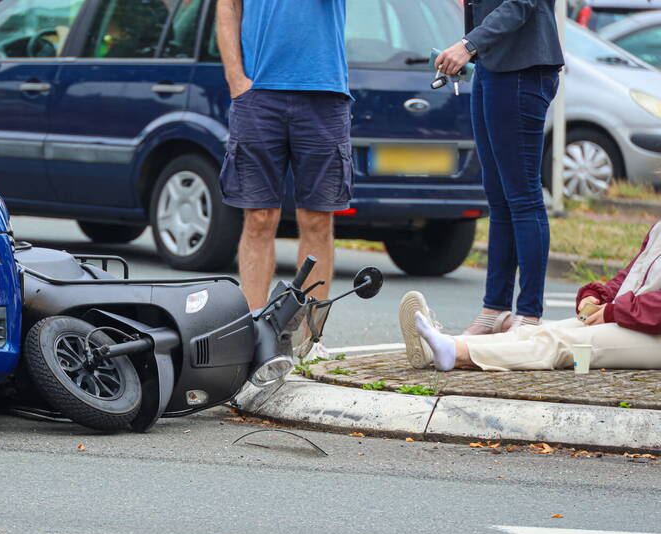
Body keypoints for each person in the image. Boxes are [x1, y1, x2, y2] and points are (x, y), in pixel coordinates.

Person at [215, 0, 352, 356]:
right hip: (258, 94)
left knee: (317, 220)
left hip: (324, 92)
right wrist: (235, 77)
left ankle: (311, 342)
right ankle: (251, 338)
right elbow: (228, 6)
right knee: (259, 218)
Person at [435, 0, 564, 334]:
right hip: (492, 67)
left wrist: (468, 44)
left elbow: (522, 3)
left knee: (522, 196)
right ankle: (495, 309)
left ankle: (529, 315)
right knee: (499, 197)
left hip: (523, 70)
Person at [398, 221, 661, 372]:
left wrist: (615, 311)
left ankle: (456, 353)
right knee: (533, 332)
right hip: (633, 318)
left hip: (652, 334)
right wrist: (597, 297)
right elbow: (630, 276)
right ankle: (442, 347)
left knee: (560, 343)